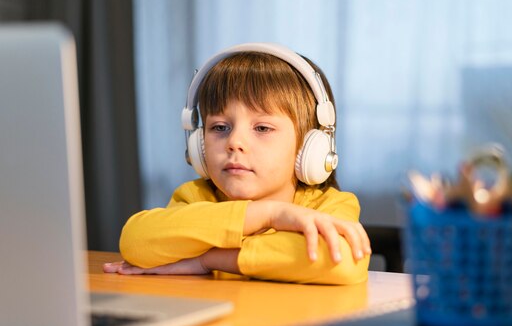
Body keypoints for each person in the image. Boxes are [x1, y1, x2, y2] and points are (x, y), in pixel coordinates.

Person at [103, 43, 371, 284]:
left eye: (263, 128)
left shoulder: (329, 206)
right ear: (199, 145)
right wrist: (269, 214)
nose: (234, 142)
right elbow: (136, 242)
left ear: (310, 147)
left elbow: (342, 261)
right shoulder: (197, 197)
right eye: (220, 127)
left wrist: (209, 260)